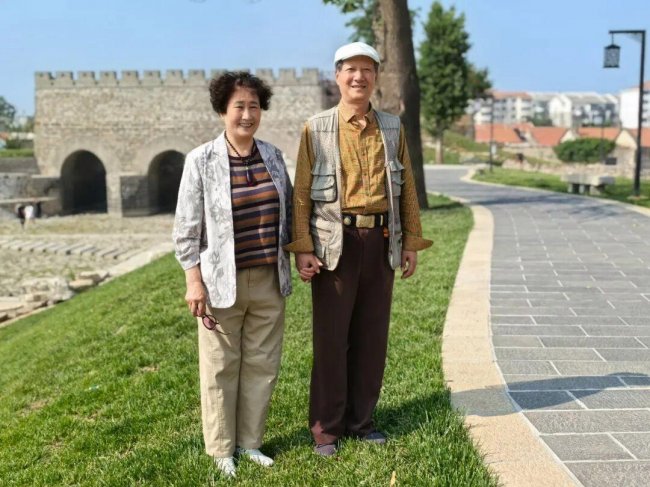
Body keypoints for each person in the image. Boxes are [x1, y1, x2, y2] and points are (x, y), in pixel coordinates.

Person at [284, 42, 432, 456]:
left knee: (371, 338)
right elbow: (301, 193)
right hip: (335, 244)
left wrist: (410, 241)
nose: (359, 77)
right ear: (337, 76)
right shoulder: (316, 128)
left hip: (381, 242)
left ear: (376, 78)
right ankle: (326, 429)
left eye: (367, 70)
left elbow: (407, 189)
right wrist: (303, 247)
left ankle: (362, 422)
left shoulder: (392, 127)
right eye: (351, 69)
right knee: (331, 340)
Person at [172, 71, 292, 478]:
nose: (247, 114)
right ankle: (222, 449)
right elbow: (186, 229)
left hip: (269, 280)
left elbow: (288, 214)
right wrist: (193, 281)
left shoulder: (273, 156)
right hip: (220, 283)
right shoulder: (201, 160)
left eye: (254, 106)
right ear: (222, 110)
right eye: (239, 106)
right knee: (220, 366)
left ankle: (250, 442)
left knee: (262, 364)